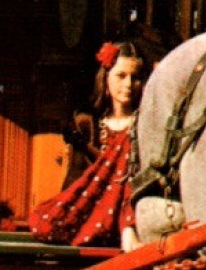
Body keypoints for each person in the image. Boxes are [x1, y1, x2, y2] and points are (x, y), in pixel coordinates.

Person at [29, 41, 150, 249]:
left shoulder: (147, 123)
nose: (129, 84)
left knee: (130, 143)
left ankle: (127, 229)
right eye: (121, 76)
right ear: (106, 77)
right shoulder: (88, 124)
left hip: (135, 207)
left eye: (136, 77)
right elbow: (77, 175)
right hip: (97, 209)